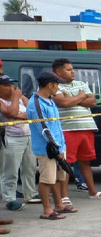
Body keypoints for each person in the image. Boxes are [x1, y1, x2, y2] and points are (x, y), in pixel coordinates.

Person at [52, 58, 101, 203]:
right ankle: (64, 196)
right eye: (68, 70)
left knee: (86, 161)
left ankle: (92, 191)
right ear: (58, 72)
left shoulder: (81, 84)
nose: (73, 72)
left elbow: (93, 101)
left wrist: (74, 98)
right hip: (67, 129)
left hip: (86, 128)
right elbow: (64, 103)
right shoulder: (55, 86)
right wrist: (81, 96)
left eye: (73, 69)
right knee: (66, 163)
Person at [27, 71, 76, 220]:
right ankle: (47, 210)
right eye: (57, 85)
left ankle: (59, 204)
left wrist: (61, 146)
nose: (58, 88)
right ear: (50, 85)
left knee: (57, 177)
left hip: (57, 146)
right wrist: (57, 148)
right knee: (47, 179)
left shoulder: (49, 100)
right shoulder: (36, 103)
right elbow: (44, 128)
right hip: (47, 148)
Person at [1, 74, 37, 211]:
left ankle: (31, 193)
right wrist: (15, 99)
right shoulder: (6, 100)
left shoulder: (22, 98)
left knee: (30, 167)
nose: (11, 87)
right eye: (6, 85)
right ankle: (9, 198)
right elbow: (9, 113)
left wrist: (16, 115)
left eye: (11, 84)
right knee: (10, 170)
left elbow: (32, 113)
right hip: (10, 138)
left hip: (28, 135)